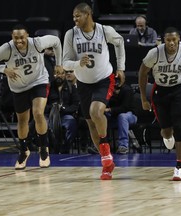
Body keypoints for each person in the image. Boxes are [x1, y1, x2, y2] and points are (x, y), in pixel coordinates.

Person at [63, 2, 125, 180]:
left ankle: (105, 150)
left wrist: (120, 67)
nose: (75, 19)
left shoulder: (104, 31)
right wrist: (77, 64)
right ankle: (107, 164)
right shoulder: (71, 34)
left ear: (88, 14)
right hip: (83, 83)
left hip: (104, 79)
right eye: (73, 16)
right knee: (91, 123)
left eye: (78, 15)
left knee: (96, 111)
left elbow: (120, 42)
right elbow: (65, 62)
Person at [0, 24, 62, 169]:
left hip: (39, 81)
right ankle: (24, 150)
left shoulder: (36, 43)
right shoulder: (7, 48)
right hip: (19, 87)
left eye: (22, 38)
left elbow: (56, 41)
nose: (19, 41)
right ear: (12, 37)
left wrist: (59, 64)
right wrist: (3, 69)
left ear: (27, 36)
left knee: (38, 113)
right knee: (22, 120)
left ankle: (44, 149)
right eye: (16, 38)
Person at [138, 27, 181, 181]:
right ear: (163, 40)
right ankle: (167, 135)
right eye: (168, 40)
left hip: (179, 90)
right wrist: (143, 99)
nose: (171, 43)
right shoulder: (155, 53)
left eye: (174, 40)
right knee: (166, 131)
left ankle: (179, 167)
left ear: (178, 39)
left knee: (179, 125)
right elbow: (142, 73)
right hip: (160, 91)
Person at [46, 70, 80, 154]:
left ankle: (65, 147)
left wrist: (63, 109)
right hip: (50, 114)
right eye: (57, 73)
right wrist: (53, 108)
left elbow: (75, 106)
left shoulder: (71, 87)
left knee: (71, 122)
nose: (59, 76)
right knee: (45, 125)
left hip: (65, 114)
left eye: (62, 73)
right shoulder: (48, 88)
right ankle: (52, 149)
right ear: (53, 75)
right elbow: (42, 105)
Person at [105, 83, 138, 154]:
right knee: (101, 116)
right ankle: (101, 144)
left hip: (130, 116)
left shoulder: (127, 90)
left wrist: (110, 109)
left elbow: (125, 108)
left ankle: (123, 146)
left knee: (122, 116)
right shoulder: (107, 91)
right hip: (114, 116)